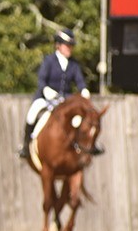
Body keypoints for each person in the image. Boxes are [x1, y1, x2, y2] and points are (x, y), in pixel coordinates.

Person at [18, 28, 102, 158]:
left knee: (82, 119)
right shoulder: (49, 61)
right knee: (32, 113)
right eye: (67, 46)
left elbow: (80, 82)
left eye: (71, 46)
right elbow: (41, 81)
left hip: (65, 101)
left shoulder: (74, 65)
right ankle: (26, 145)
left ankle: (87, 146)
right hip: (46, 98)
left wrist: (84, 91)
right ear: (58, 45)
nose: (69, 48)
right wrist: (47, 91)